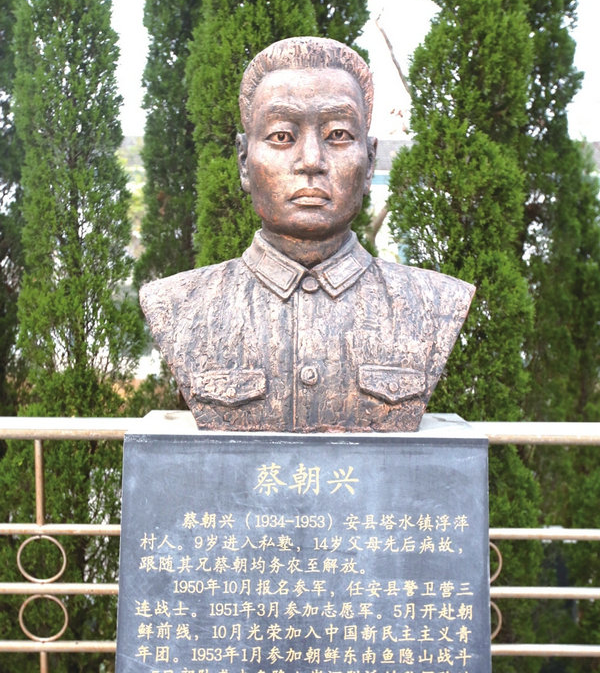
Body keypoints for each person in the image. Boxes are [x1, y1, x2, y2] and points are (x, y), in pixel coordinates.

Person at [140, 37, 474, 432]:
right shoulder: (179, 304)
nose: (312, 161)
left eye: (338, 135)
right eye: (282, 136)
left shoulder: (435, 303)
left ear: (369, 162)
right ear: (244, 162)